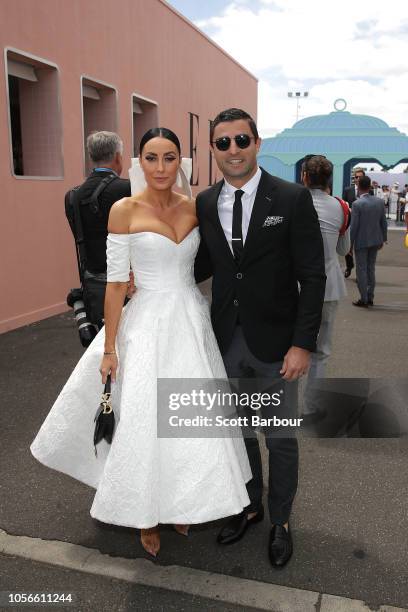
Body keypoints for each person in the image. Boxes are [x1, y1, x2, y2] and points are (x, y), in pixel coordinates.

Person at [31, 127, 251, 558]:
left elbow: (218, 262)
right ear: (137, 162)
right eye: (151, 158)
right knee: (145, 422)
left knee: (186, 420)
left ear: (180, 163)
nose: (161, 167)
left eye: (169, 158)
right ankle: (145, 516)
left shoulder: (195, 208)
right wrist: (110, 348)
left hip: (190, 322)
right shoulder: (123, 210)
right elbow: (115, 286)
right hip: (146, 324)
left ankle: (179, 502)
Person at [194, 108, 326, 568]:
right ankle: (250, 505)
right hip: (225, 341)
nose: (233, 150)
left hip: (277, 347)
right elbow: (205, 266)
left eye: (241, 140)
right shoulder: (206, 203)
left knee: (280, 439)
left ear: (257, 142)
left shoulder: (291, 198)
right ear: (213, 149)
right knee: (237, 434)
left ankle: (281, 521)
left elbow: (312, 276)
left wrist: (302, 343)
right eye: (223, 143)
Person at [299, 155, 350, 423]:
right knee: (321, 351)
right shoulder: (341, 207)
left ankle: (277, 407)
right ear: (329, 179)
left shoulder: (291, 201)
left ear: (304, 176)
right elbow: (343, 249)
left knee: (285, 346)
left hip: (293, 286)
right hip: (328, 286)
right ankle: (310, 408)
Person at [65, 131, 132, 329]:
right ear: (118, 157)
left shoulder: (72, 196)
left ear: (91, 158)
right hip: (126, 285)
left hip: (92, 286)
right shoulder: (127, 189)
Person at [350, 175, 387, 307]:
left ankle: (363, 298)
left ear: (358, 187)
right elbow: (383, 222)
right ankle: (370, 296)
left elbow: (354, 227)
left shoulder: (357, 204)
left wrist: (349, 244)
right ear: (370, 186)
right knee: (371, 268)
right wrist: (384, 238)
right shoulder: (379, 202)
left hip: (361, 241)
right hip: (376, 240)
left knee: (361, 270)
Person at [342, 167, 366, 278]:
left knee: (360, 249)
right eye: (356, 177)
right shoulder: (348, 190)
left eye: (360, 177)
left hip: (362, 224)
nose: (357, 179)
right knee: (348, 247)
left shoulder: (368, 191)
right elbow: (344, 205)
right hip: (350, 223)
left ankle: (360, 273)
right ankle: (349, 265)